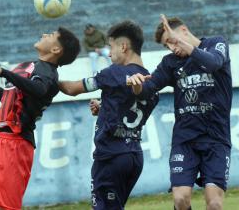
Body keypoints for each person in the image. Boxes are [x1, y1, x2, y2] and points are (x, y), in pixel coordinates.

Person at [127, 15, 232, 210]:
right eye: (167, 45)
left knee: (215, 204)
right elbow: (148, 88)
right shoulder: (170, 62)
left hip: (216, 139)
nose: (172, 48)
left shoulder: (217, 44)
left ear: (183, 31)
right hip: (185, 141)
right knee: (180, 200)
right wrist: (136, 85)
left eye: (171, 41)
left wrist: (184, 45)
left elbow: (214, 63)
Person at [59, 21, 158, 210]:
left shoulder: (113, 73)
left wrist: (46, 77)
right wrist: (104, 108)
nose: (109, 52)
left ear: (123, 46)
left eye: (111, 47)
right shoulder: (151, 82)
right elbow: (129, 106)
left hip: (111, 156)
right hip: (134, 156)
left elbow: (72, 89)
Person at [0, 27, 80, 210]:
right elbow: (11, 99)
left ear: (56, 50)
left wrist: (2, 72)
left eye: (51, 35)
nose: (44, 34)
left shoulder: (47, 72)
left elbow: (39, 89)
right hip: (1, 139)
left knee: (8, 205)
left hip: (16, 142)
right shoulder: (29, 66)